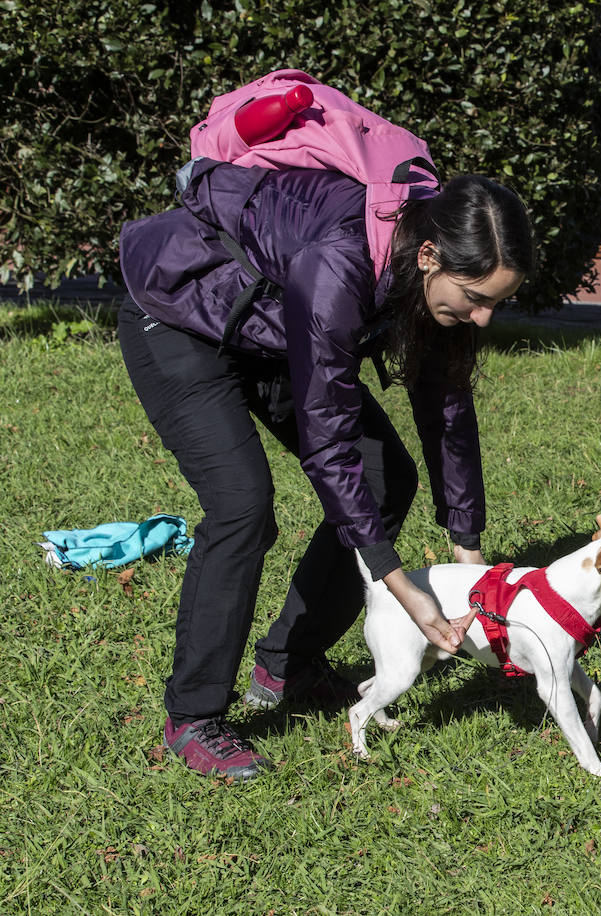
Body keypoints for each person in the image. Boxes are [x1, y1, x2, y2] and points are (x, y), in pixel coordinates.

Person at [118, 162, 534, 781]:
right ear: (428, 257)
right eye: (475, 299)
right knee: (242, 505)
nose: (483, 320)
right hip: (180, 316)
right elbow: (328, 441)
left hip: (272, 330)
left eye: (496, 303)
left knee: (387, 476)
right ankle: (194, 716)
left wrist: (466, 541)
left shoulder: (435, 271)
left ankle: (288, 663)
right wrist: (397, 581)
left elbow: (446, 404)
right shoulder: (341, 265)